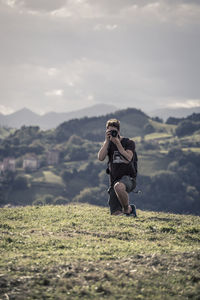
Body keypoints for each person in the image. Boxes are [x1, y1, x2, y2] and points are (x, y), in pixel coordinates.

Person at [98, 118, 137, 216]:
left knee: (118, 187)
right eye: (109, 131)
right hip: (114, 180)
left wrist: (117, 143)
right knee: (116, 214)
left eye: (114, 131)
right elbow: (100, 157)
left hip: (128, 178)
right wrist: (107, 141)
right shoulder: (108, 144)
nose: (112, 133)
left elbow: (128, 157)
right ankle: (130, 213)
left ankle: (127, 209)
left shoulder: (128, 142)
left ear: (119, 131)